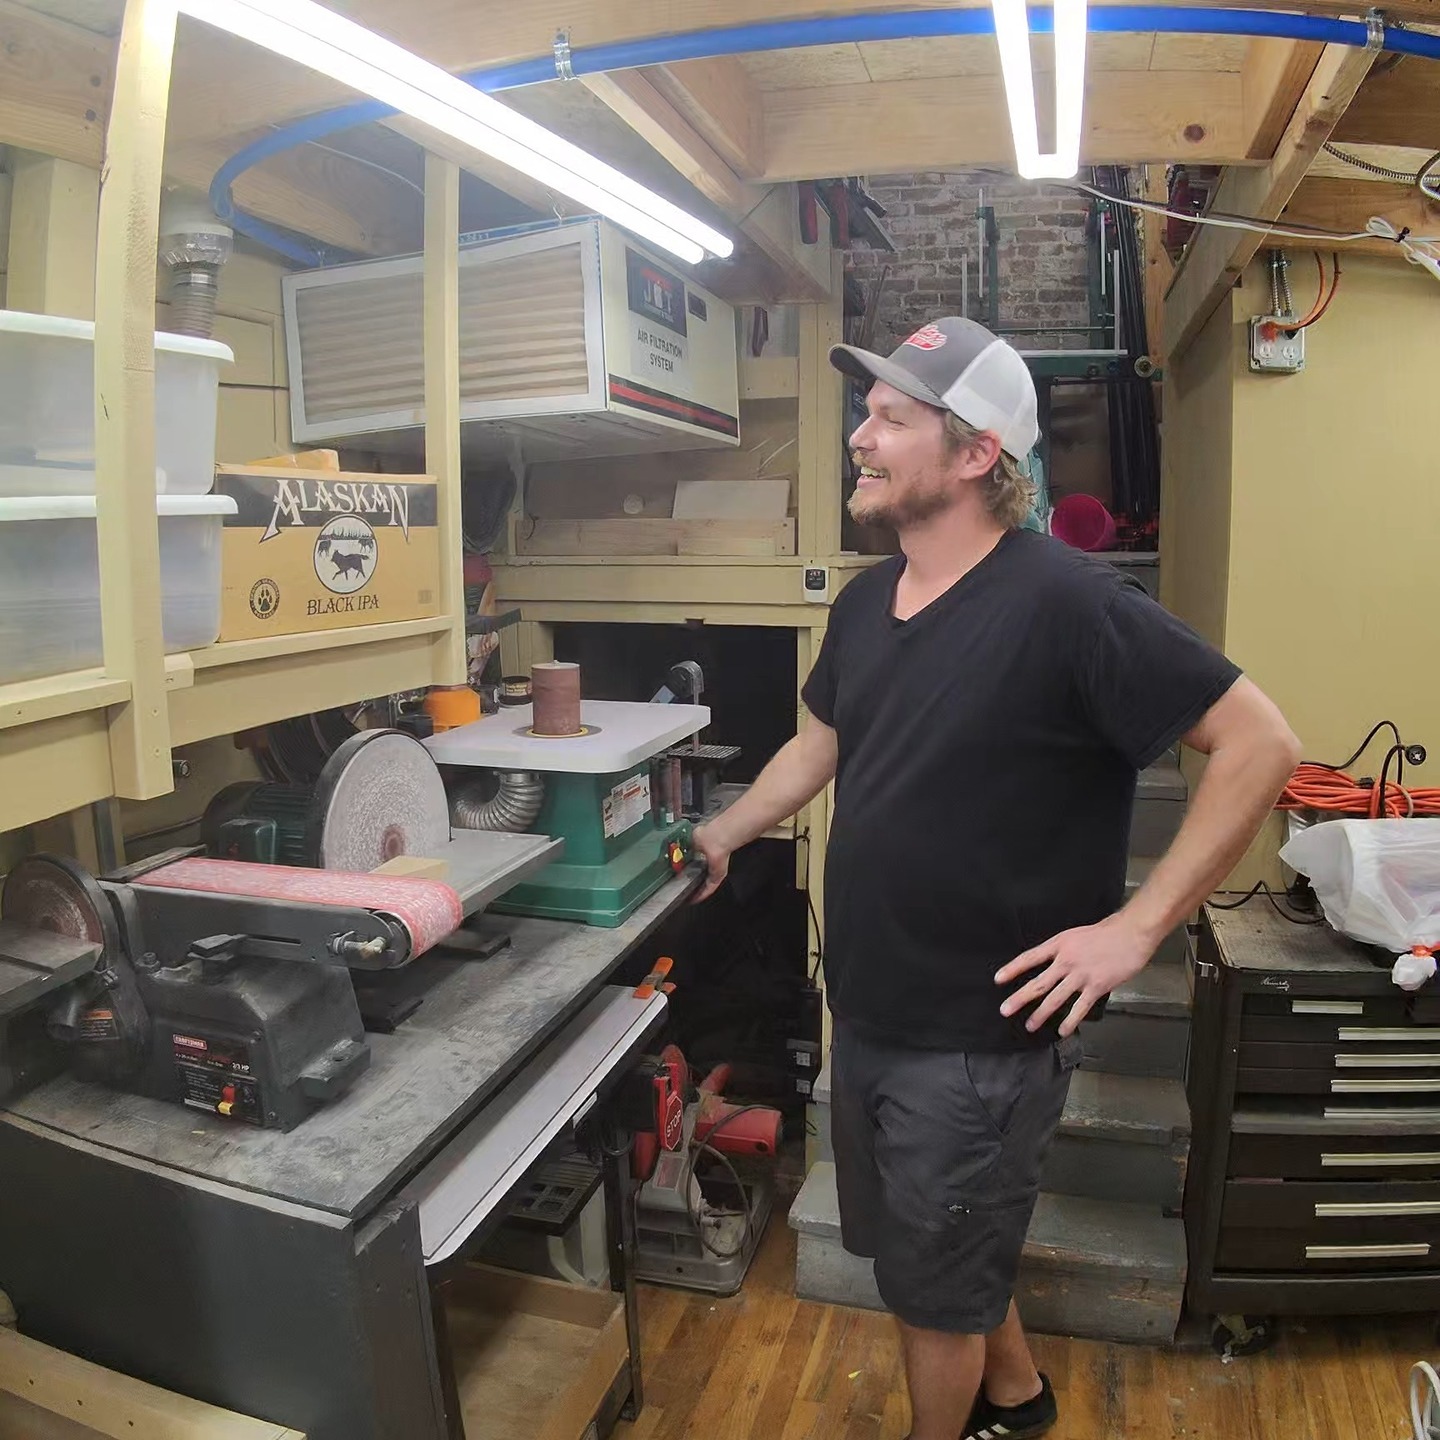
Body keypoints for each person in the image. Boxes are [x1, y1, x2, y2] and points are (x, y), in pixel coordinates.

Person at [691, 316, 1301, 1440]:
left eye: (891, 418)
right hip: (871, 1006)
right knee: (933, 1253)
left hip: (978, 1039)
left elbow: (1261, 743)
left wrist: (1136, 929)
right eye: (867, 413)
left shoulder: (1072, 604)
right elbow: (819, 746)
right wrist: (725, 830)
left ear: (978, 454)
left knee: (932, 1292)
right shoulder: (866, 602)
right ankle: (1016, 1400)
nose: (860, 437)